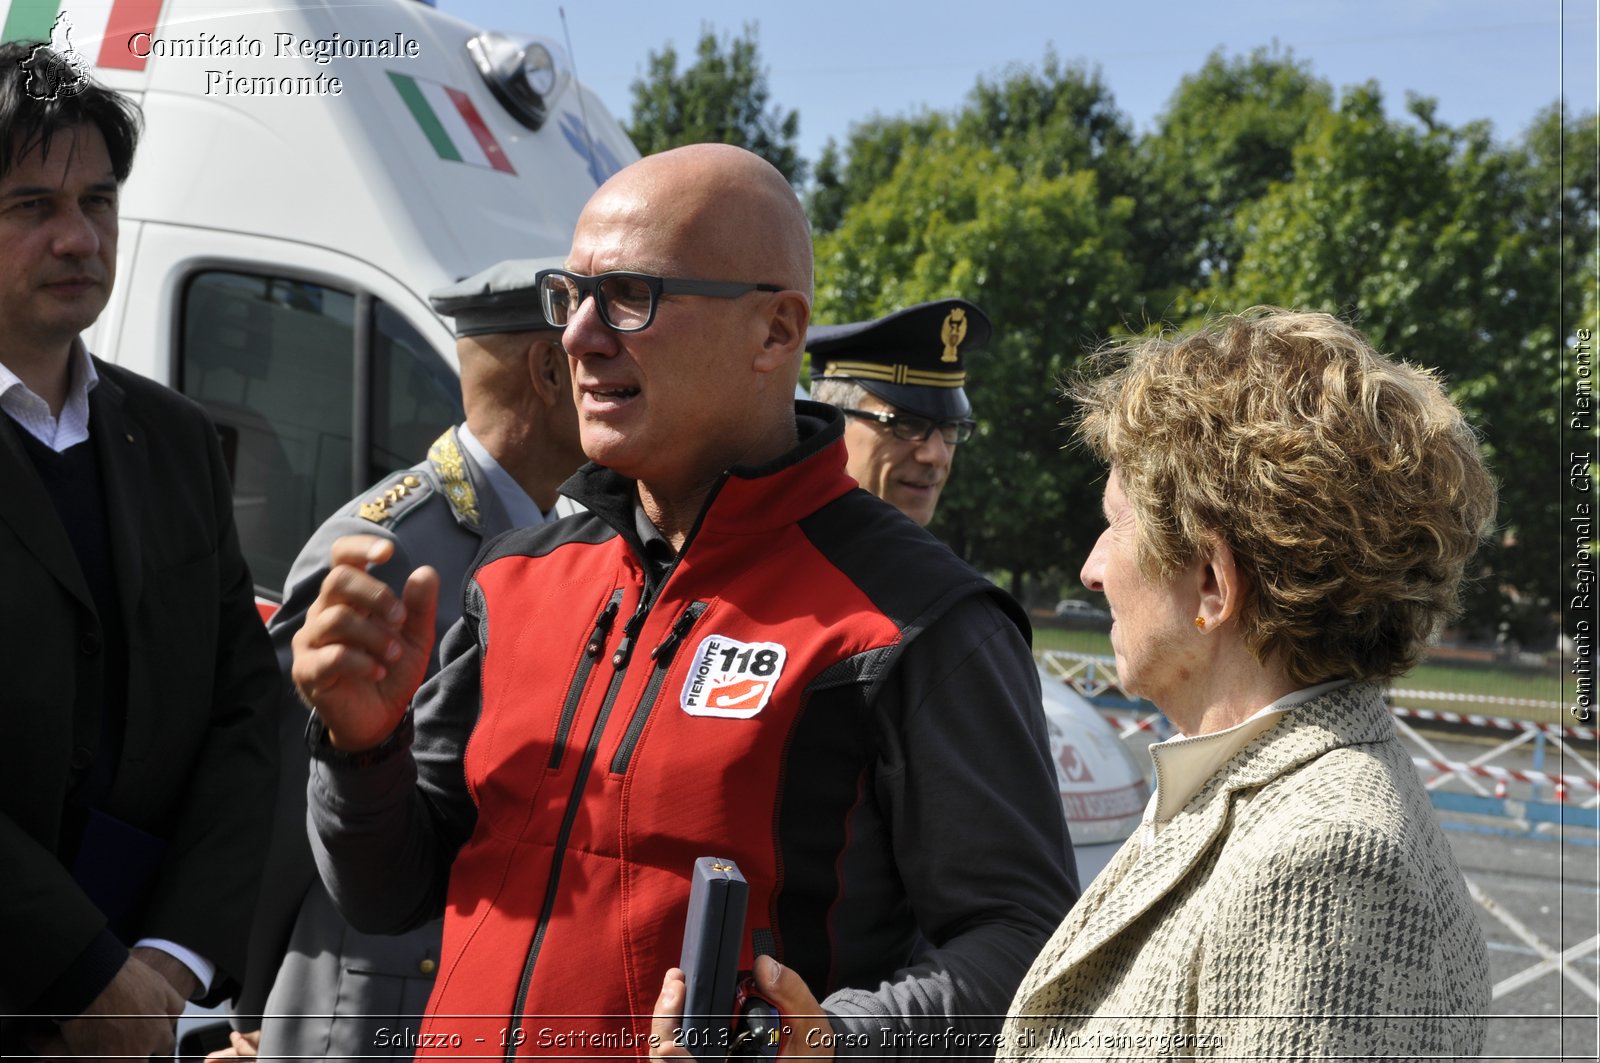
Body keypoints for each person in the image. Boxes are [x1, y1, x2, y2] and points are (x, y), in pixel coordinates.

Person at [291, 143, 1076, 1059]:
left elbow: (1029, 947)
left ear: (777, 331)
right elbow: (388, 892)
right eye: (568, 296)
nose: (578, 336)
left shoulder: (916, 617)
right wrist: (361, 749)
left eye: (629, 295)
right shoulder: (513, 576)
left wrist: (830, 1041)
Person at [1001, 308, 1494, 1060]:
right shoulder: (1251, 784)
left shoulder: (1325, 862)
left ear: (1210, 582)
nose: (1091, 568)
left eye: (1112, 524)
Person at [215, 259, 587, 1060]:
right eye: (591, 352)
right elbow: (276, 786)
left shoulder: (570, 537)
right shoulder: (390, 543)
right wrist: (249, 997)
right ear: (550, 370)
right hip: (369, 996)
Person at [0, 42, 280, 1060]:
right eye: (33, 206)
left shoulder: (173, 438)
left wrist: (169, 959)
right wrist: (84, 974)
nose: (79, 237)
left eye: (100, 201)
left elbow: (248, 708)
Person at [806, 300, 988, 526]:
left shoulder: (929, 561)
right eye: (907, 424)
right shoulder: (773, 555)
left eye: (950, 427)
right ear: (830, 425)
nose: (938, 456)